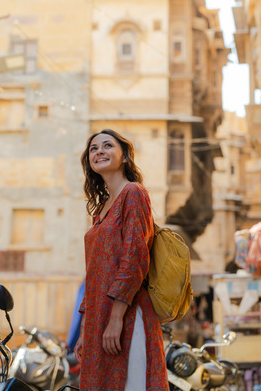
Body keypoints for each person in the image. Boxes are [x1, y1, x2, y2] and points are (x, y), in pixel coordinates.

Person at [74, 129, 169, 391]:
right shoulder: (100, 209)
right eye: (93, 148)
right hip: (98, 317)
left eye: (107, 146)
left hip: (126, 314)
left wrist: (115, 319)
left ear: (125, 157)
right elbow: (93, 275)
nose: (99, 151)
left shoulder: (134, 194)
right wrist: (86, 328)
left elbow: (135, 258)